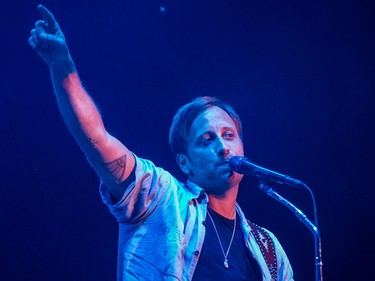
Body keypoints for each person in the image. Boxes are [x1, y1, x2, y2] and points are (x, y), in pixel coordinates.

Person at [29, 5, 293, 281]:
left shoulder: (269, 249)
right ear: (184, 162)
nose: (223, 147)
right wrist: (63, 68)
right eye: (207, 139)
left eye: (229, 135)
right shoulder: (160, 197)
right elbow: (96, 140)